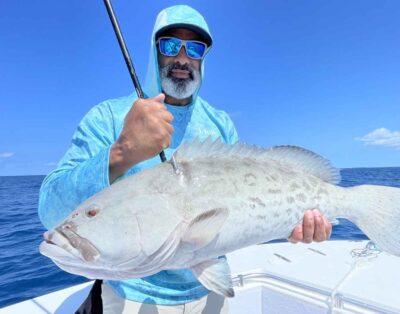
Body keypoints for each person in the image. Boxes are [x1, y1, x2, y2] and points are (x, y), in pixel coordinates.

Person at [38, 5, 332, 314]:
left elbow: (247, 208)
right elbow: (50, 211)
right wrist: (122, 151)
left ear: (203, 57)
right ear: (154, 51)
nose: (182, 58)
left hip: (209, 291)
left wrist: (291, 224)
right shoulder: (108, 117)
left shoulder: (220, 123)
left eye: (194, 48)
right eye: (169, 45)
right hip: (132, 293)